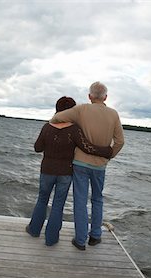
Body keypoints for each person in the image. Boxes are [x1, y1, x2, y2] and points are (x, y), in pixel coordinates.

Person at [26, 96, 114, 246]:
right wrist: (107, 151)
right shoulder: (74, 130)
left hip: (47, 170)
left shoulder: (47, 127)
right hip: (65, 173)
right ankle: (51, 239)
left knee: (42, 199)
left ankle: (34, 230)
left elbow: (37, 148)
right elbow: (87, 147)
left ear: (57, 109)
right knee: (58, 204)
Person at [50, 82, 124, 250]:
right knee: (97, 199)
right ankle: (95, 236)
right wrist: (109, 155)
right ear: (105, 97)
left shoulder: (81, 110)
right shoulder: (113, 114)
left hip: (80, 163)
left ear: (90, 96)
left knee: (80, 201)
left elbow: (55, 118)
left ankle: (80, 240)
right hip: (100, 166)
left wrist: (71, 129)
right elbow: (120, 141)